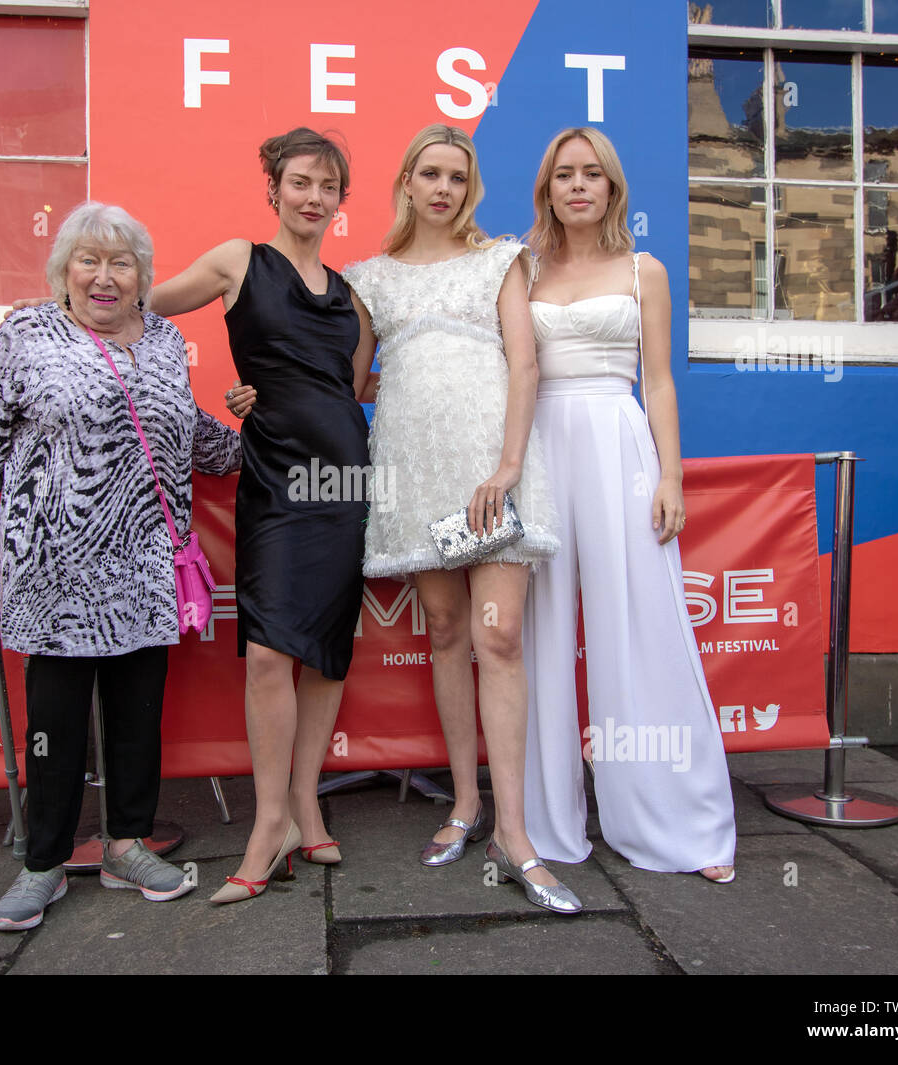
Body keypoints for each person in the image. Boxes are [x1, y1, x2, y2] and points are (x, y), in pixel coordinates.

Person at [282, 124, 578, 913]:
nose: (443, 188)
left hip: (491, 474)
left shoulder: (499, 259)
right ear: (406, 183)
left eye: (457, 175)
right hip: (414, 477)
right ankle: (464, 804)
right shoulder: (369, 278)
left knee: (499, 635)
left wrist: (508, 465)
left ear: (469, 186)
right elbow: (350, 381)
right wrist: (268, 400)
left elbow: (525, 362)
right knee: (446, 633)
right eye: (430, 173)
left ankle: (516, 833)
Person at [0, 201, 242, 931]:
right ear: (65, 273)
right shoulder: (26, 333)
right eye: (90, 261)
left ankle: (127, 843)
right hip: (52, 565)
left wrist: (263, 429)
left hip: (146, 564)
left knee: (138, 714)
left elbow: (190, 431)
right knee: (53, 722)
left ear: (143, 277)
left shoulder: (169, 340)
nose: (105, 277)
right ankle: (42, 862)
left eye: (122, 264)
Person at [144, 128, 372, 904]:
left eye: (328, 186)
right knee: (273, 652)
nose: (314, 197)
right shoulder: (237, 260)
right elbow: (144, 303)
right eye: (300, 181)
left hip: (343, 478)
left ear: (342, 199)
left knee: (326, 647)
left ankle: (306, 800)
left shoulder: (351, 293)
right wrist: (82, 292)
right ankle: (268, 821)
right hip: (275, 478)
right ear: (272, 188)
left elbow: (355, 387)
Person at [521, 127, 736, 882]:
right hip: (542, 449)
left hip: (620, 445)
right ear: (547, 188)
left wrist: (670, 476)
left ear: (612, 187)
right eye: (563, 175)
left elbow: (661, 382)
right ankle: (546, 823)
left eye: (592, 174)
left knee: (641, 629)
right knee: (540, 632)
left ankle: (677, 822)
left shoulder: (647, 271)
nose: (578, 186)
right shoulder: (520, 269)